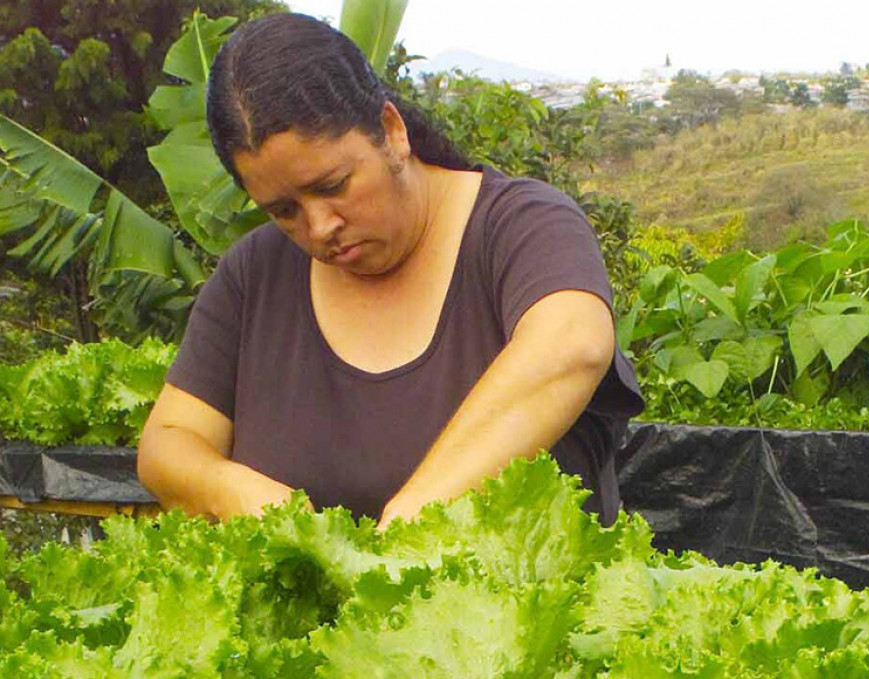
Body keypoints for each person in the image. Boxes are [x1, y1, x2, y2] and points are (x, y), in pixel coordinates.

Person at [137, 12, 644, 529]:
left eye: (333, 186)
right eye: (283, 210)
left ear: (391, 130)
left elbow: (572, 345)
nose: (319, 227)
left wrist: (412, 521)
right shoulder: (255, 273)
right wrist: (232, 489)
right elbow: (167, 444)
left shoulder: (520, 226)